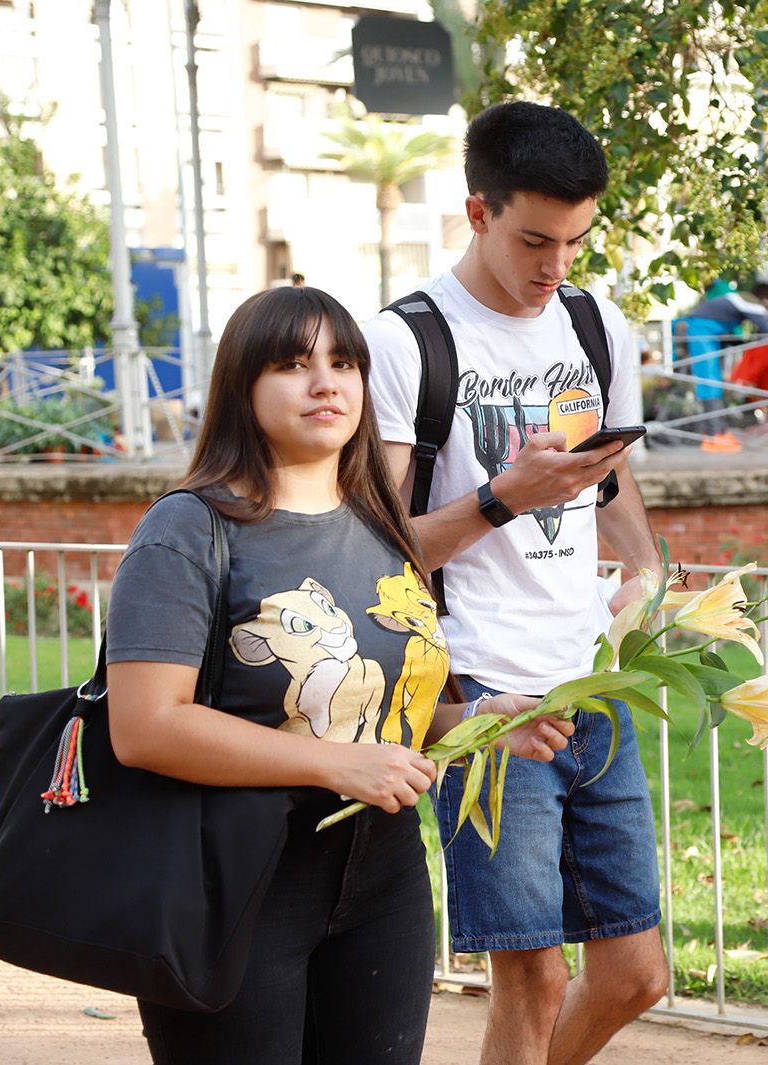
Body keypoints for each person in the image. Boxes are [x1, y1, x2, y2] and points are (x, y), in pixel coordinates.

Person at [104, 285, 573, 1064]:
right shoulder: (189, 527)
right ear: (242, 389)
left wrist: (483, 720)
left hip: (383, 880)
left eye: (344, 362)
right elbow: (146, 725)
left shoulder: (377, 524)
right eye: (293, 364)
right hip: (232, 883)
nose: (327, 382)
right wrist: (335, 762)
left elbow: (379, 711)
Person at [362, 101, 669, 1065]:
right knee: (531, 977)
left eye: (577, 240)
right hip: (483, 697)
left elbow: (609, 478)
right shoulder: (407, 342)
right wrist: (503, 495)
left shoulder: (594, 322)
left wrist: (648, 567)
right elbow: (380, 552)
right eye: (537, 239)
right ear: (477, 212)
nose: (557, 266)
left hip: (592, 678)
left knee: (635, 975)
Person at [677, 281, 768, 450]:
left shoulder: (741, 299)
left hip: (707, 334)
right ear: (767, 299)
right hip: (700, 331)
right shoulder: (751, 303)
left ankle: (719, 432)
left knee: (715, 382)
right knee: (709, 382)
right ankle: (713, 437)